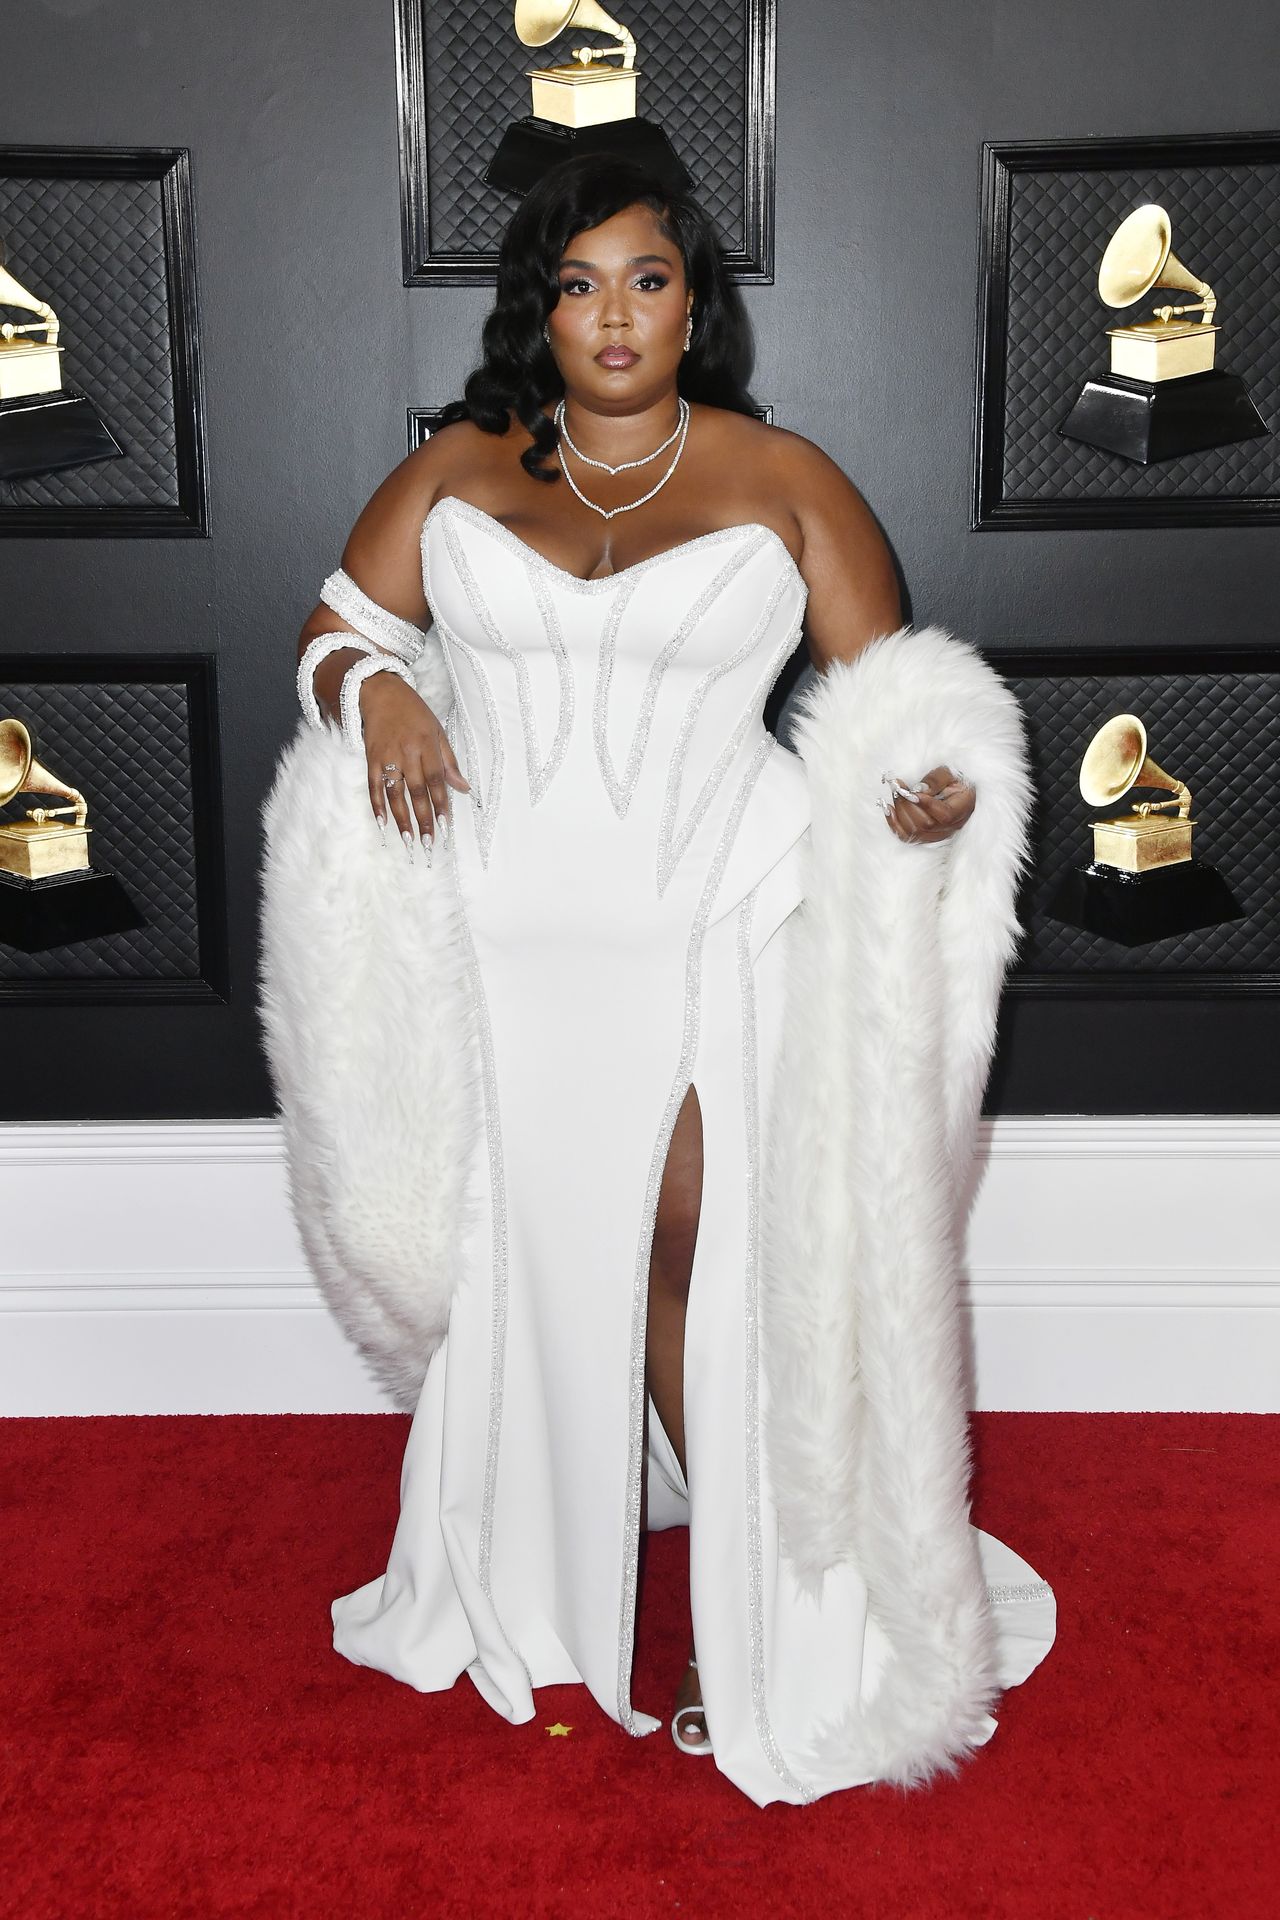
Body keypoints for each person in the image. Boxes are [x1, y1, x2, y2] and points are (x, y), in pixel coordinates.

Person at [263, 154, 1055, 1808]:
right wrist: (379, 696)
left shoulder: (786, 478)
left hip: (717, 924)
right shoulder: (463, 468)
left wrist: (929, 790)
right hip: (503, 947)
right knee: (544, 1266)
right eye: (577, 283)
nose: (612, 315)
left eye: (646, 280)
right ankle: (548, 1583)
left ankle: (736, 1618)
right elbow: (336, 629)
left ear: (698, 305)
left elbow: (891, 704)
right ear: (535, 308)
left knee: (695, 1252)